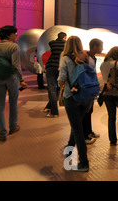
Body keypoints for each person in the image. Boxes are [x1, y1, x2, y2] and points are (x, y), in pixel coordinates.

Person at [58, 36, 94, 172]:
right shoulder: (86, 57)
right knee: (77, 124)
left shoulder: (65, 58)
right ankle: (69, 149)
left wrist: (61, 83)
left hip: (71, 96)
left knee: (77, 129)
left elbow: (62, 79)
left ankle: (84, 162)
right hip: (87, 97)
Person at [0, 26, 27, 142]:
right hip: (11, 78)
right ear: (9, 35)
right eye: (15, 33)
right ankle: (13, 126)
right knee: (13, 102)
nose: (16, 35)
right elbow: (16, 65)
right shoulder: (13, 46)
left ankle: (2, 133)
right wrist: (21, 80)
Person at [83, 38, 103, 144]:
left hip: (91, 88)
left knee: (89, 111)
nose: (102, 48)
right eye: (101, 46)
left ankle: (89, 132)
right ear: (95, 46)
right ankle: (85, 135)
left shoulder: (93, 57)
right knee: (85, 112)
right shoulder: (86, 58)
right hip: (87, 88)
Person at [44, 32, 67, 118]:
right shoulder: (66, 44)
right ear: (65, 37)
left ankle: (53, 110)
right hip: (60, 67)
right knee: (58, 88)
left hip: (51, 66)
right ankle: (51, 108)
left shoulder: (52, 43)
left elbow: (50, 42)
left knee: (52, 88)